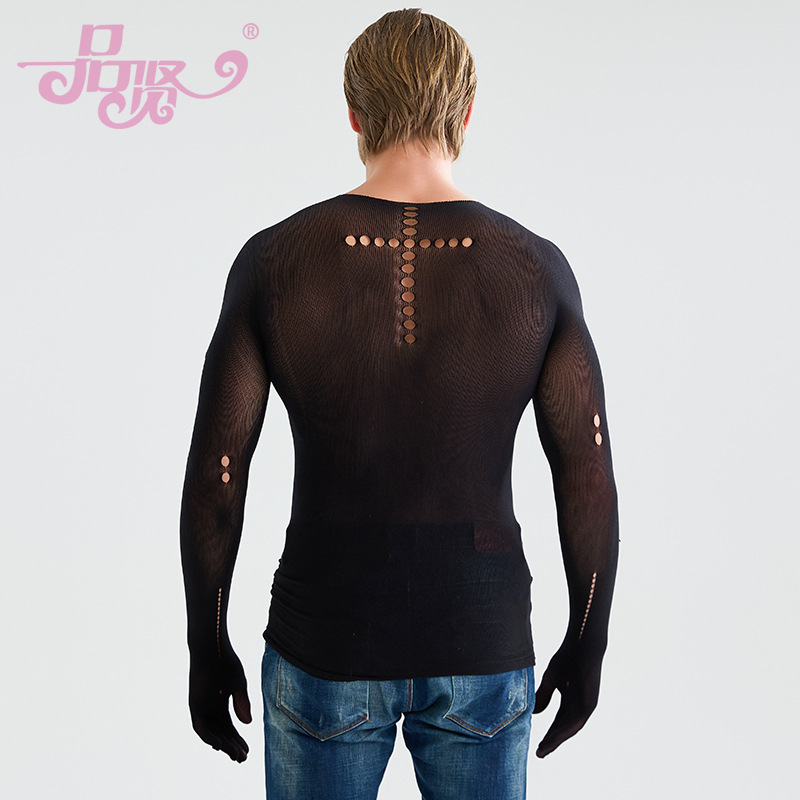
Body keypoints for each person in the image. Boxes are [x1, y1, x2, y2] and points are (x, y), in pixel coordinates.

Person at [180, 8, 619, 799]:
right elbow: (586, 477)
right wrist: (588, 641)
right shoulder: (534, 268)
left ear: (354, 113)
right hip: (481, 638)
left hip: (325, 637)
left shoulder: (275, 261)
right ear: (467, 113)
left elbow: (218, 478)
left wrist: (205, 646)